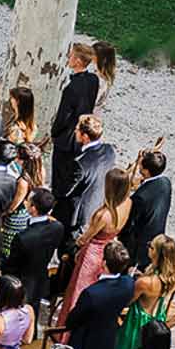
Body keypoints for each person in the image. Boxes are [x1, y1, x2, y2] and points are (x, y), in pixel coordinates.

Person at [100, 234, 175, 349]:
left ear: (157, 254)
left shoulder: (145, 283)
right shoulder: (170, 276)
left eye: (151, 246)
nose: (148, 247)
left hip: (136, 323)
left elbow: (128, 300)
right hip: (156, 317)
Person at [59, 167, 133, 322]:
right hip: (108, 247)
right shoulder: (128, 203)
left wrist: (78, 241)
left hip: (92, 253)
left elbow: (85, 238)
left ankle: (68, 328)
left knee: (78, 290)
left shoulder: (103, 215)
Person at [48, 41, 111, 195]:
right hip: (81, 132)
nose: (68, 58)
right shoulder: (93, 80)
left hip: (66, 138)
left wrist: (54, 133)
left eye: (71, 56)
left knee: (60, 176)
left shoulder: (71, 89)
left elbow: (63, 117)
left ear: (77, 61)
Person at [1, 186, 64, 310]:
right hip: (41, 280)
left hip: (23, 283)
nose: (25, 202)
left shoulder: (23, 238)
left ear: (33, 208)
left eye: (28, 201)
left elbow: (11, 266)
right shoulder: (58, 227)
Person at [55, 114, 116, 243]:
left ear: (85, 137)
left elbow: (65, 190)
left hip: (77, 216)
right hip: (96, 204)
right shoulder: (109, 151)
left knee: (67, 247)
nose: (75, 131)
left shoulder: (80, 164)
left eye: (77, 129)